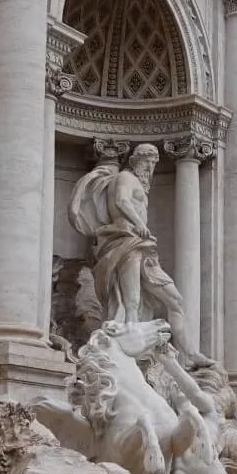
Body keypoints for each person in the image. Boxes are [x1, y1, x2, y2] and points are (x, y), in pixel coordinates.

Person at [68, 144, 208, 366]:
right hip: (125, 240)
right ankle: (126, 356)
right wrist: (139, 223)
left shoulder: (140, 185)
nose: (151, 167)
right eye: (147, 161)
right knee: (131, 301)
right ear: (135, 161)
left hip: (142, 245)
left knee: (175, 299)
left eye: (153, 163)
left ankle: (189, 353)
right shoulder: (125, 177)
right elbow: (121, 201)